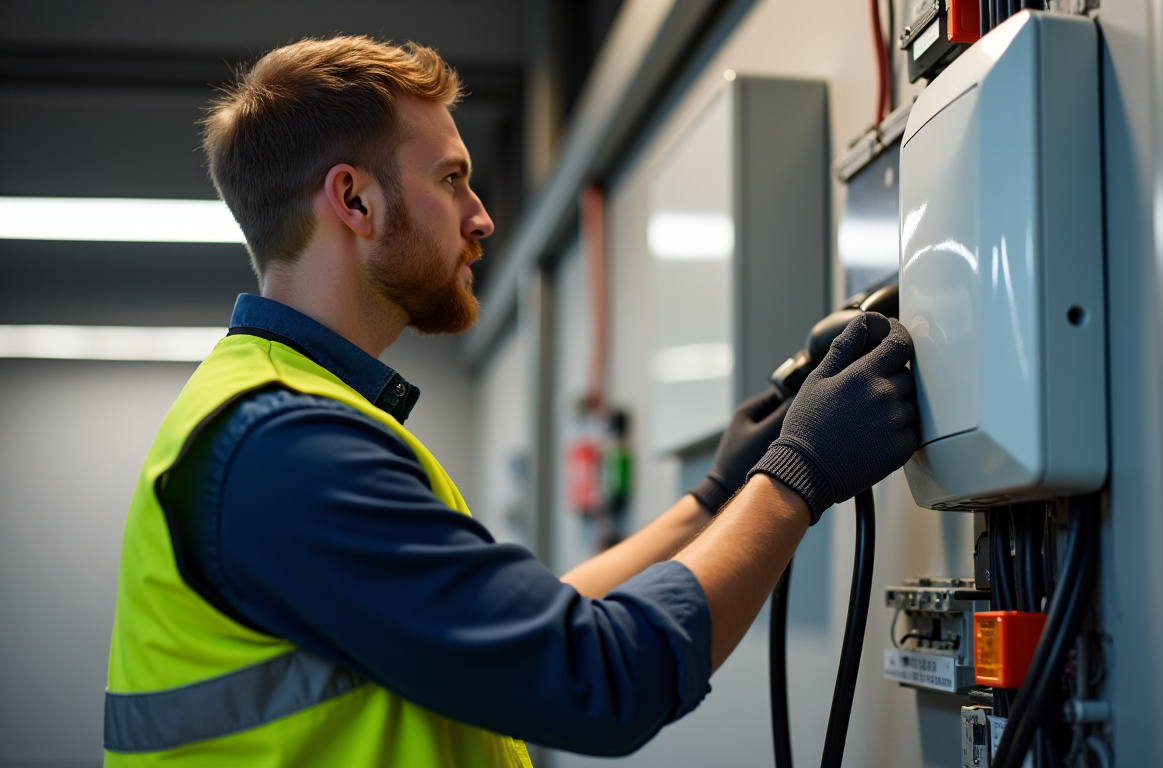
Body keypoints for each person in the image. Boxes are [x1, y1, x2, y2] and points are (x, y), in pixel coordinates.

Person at [103, 36, 918, 766]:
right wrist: (797, 475)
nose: (482, 217)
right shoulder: (283, 445)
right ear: (354, 201)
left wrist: (713, 502)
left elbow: (535, 628)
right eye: (452, 180)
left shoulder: (279, 415)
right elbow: (599, 678)